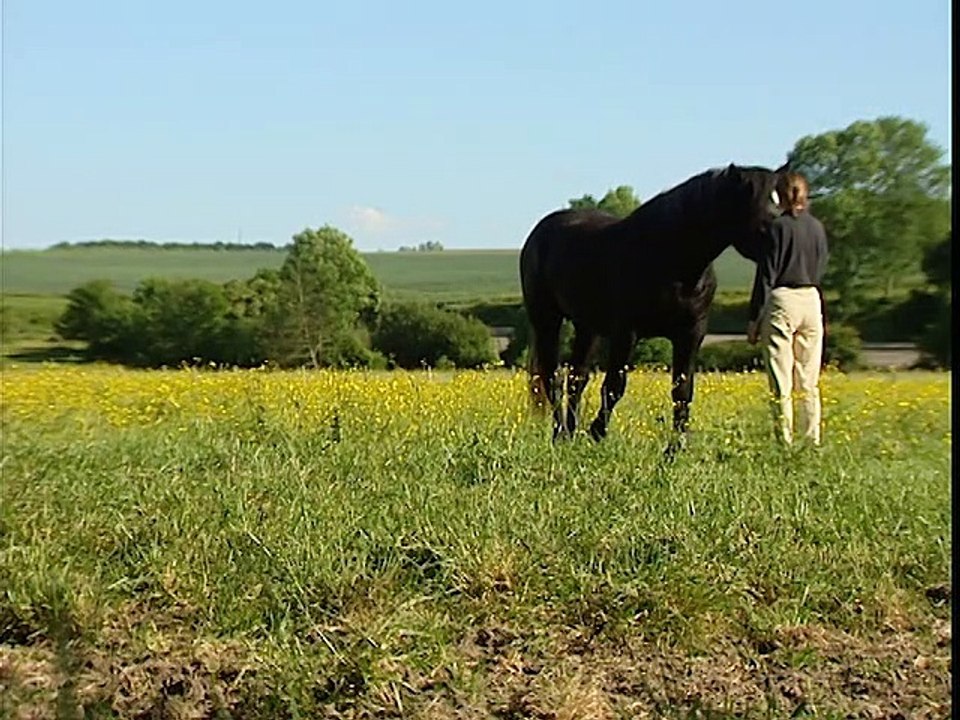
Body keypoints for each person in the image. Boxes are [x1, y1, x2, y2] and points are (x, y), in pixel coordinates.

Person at [746, 171, 829, 445]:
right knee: (808, 379)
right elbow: (821, 266)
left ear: (779, 196)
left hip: (783, 299)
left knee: (781, 379)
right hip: (812, 298)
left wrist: (754, 318)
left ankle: (784, 441)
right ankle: (811, 440)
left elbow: (766, 276)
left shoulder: (776, 228)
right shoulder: (817, 227)